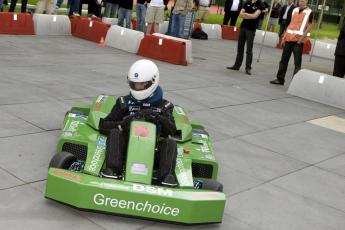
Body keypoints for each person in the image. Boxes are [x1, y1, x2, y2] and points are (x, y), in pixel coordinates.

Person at [99, 59, 178, 187]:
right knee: (114, 133)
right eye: (134, 84)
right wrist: (124, 123)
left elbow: (172, 130)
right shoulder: (124, 103)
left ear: (152, 82)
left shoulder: (164, 106)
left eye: (141, 84)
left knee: (170, 143)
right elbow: (103, 125)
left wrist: (157, 117)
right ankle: (113, 171)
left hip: (153, 150)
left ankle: (165, 178)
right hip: (124, 150)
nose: (137, 87)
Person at [270, 0, 313, 85]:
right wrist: (284, 38)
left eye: (303, 1)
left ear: (307, 2)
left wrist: (301, 39)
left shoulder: (310, 12)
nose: (301, 2)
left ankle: (295, 83)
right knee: (283, 61)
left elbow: (309, 26)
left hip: (298, 41)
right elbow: (290, 24)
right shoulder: (295, 10)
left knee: (297, 63)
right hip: (289, 39)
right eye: (300, 1)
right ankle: (280, 79)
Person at [227, 0, 263, 75]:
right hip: (243, 27)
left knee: (249, 50)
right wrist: (249, 15)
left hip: (251, 29)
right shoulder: (247, 3)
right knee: (240, 48)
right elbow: (240, 14)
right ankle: (237, 65)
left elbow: (255, 16)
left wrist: (245, 14)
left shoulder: (260, 4)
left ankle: (248, 68)